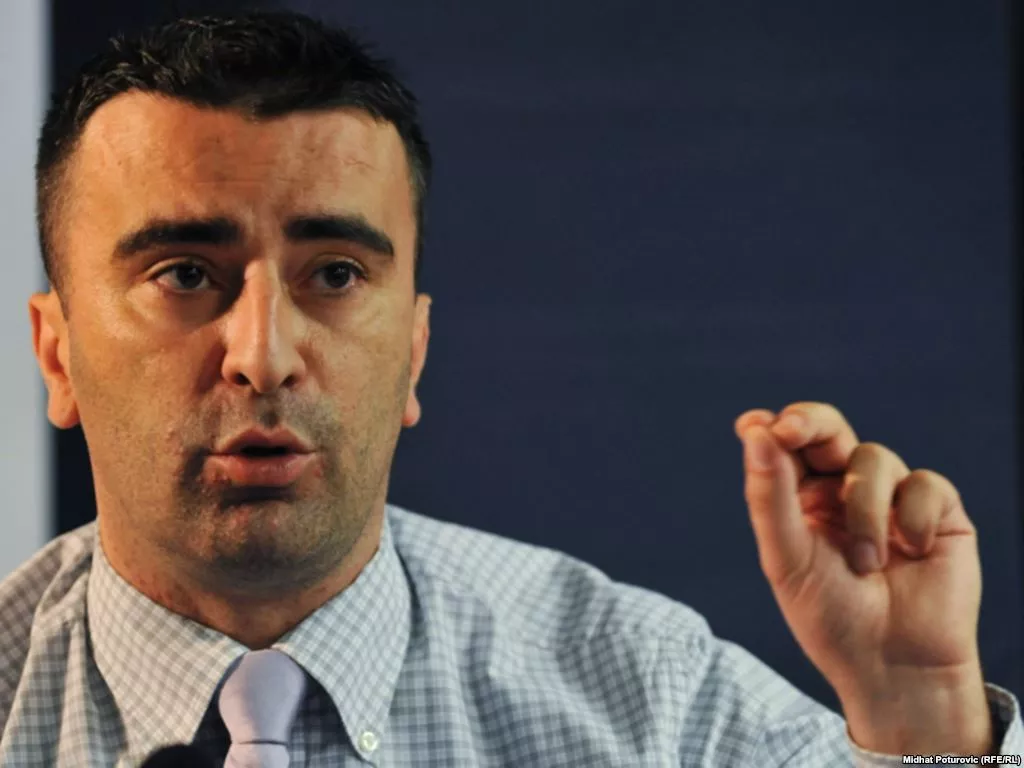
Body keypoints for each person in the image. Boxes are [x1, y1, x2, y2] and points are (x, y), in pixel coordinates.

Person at [0, 10, 1020, 767]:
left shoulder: (651, 700)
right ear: (57, 355)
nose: (263, 358)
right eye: (185, 274)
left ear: (414, 352)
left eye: (337, 275)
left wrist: (919, 718)